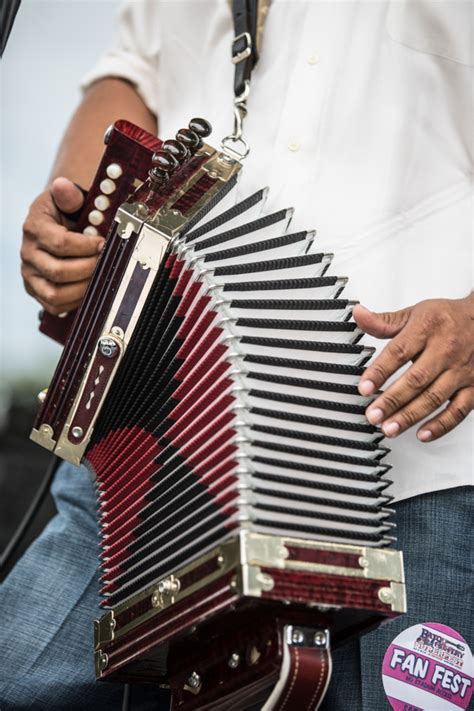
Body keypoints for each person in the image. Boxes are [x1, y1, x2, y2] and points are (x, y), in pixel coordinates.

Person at [2, 1, 472, 709]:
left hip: (407, 446)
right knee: (18, 680)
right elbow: (131, 71)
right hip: (150, 425)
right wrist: (77, 223)